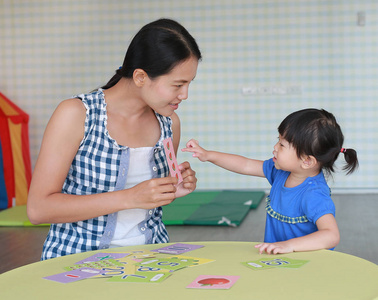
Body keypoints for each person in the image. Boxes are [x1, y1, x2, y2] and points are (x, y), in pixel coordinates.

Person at [27, 18, 202, 260]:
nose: (184, 95)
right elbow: (38, 209)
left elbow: (148, 203)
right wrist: (129, 197)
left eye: (189, 84)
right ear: (140, 77)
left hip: (152, 260)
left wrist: (172, 188)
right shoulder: (76, 114)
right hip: (76, 264)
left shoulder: (169, 123)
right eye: (178, 84)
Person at [182, 108, 358, 254]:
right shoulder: (280, 173)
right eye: (278, 140)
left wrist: (289, 245)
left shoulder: (313, 194)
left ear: (307, 161)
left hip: (307, 264)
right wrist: (208, 155)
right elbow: (245, 165)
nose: (275, 147)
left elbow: (331, 235)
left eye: (282, 145)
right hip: (280, 259)